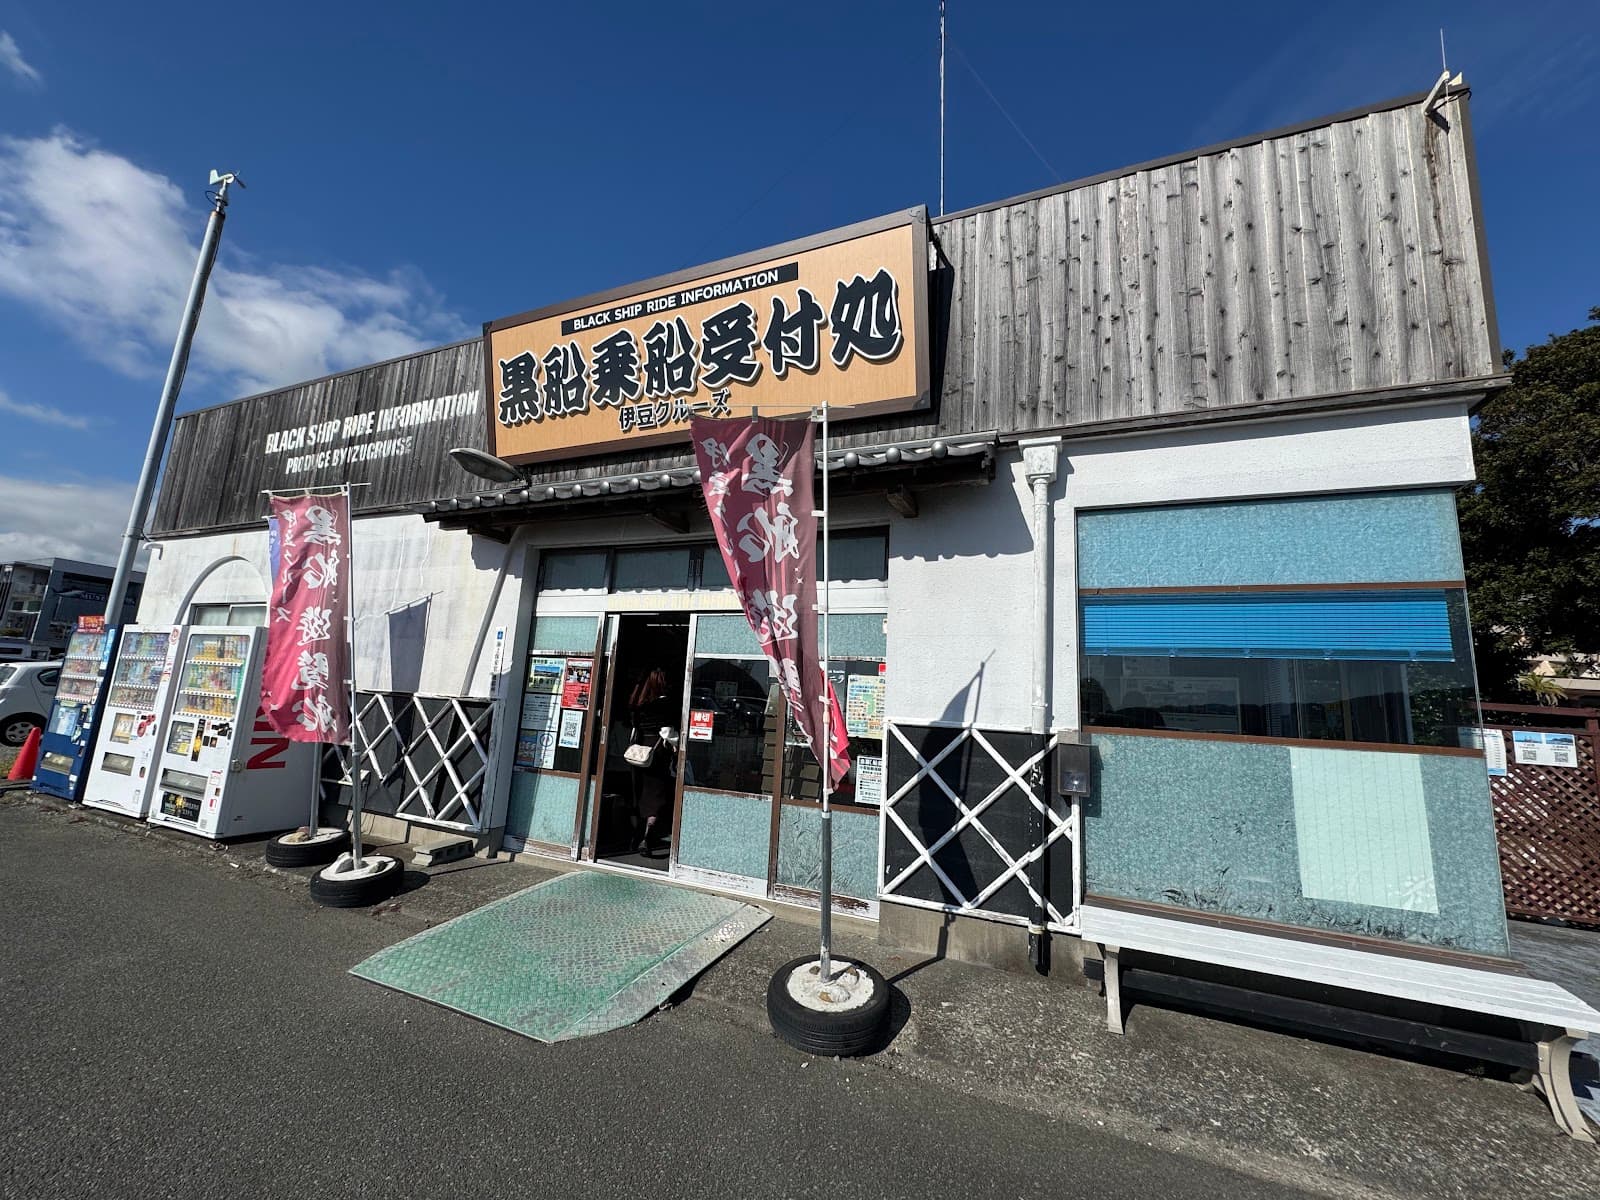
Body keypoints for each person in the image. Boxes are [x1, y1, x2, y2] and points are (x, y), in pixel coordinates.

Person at [626, 668, 678, 853]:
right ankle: (647, 837)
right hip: (655, 755)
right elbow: (667, 733)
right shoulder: (665, 704)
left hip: (638, 752)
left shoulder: (639, 704)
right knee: (655, 797)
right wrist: (677, 745)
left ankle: (635, 835)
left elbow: (634, 728)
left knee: (638, 794)